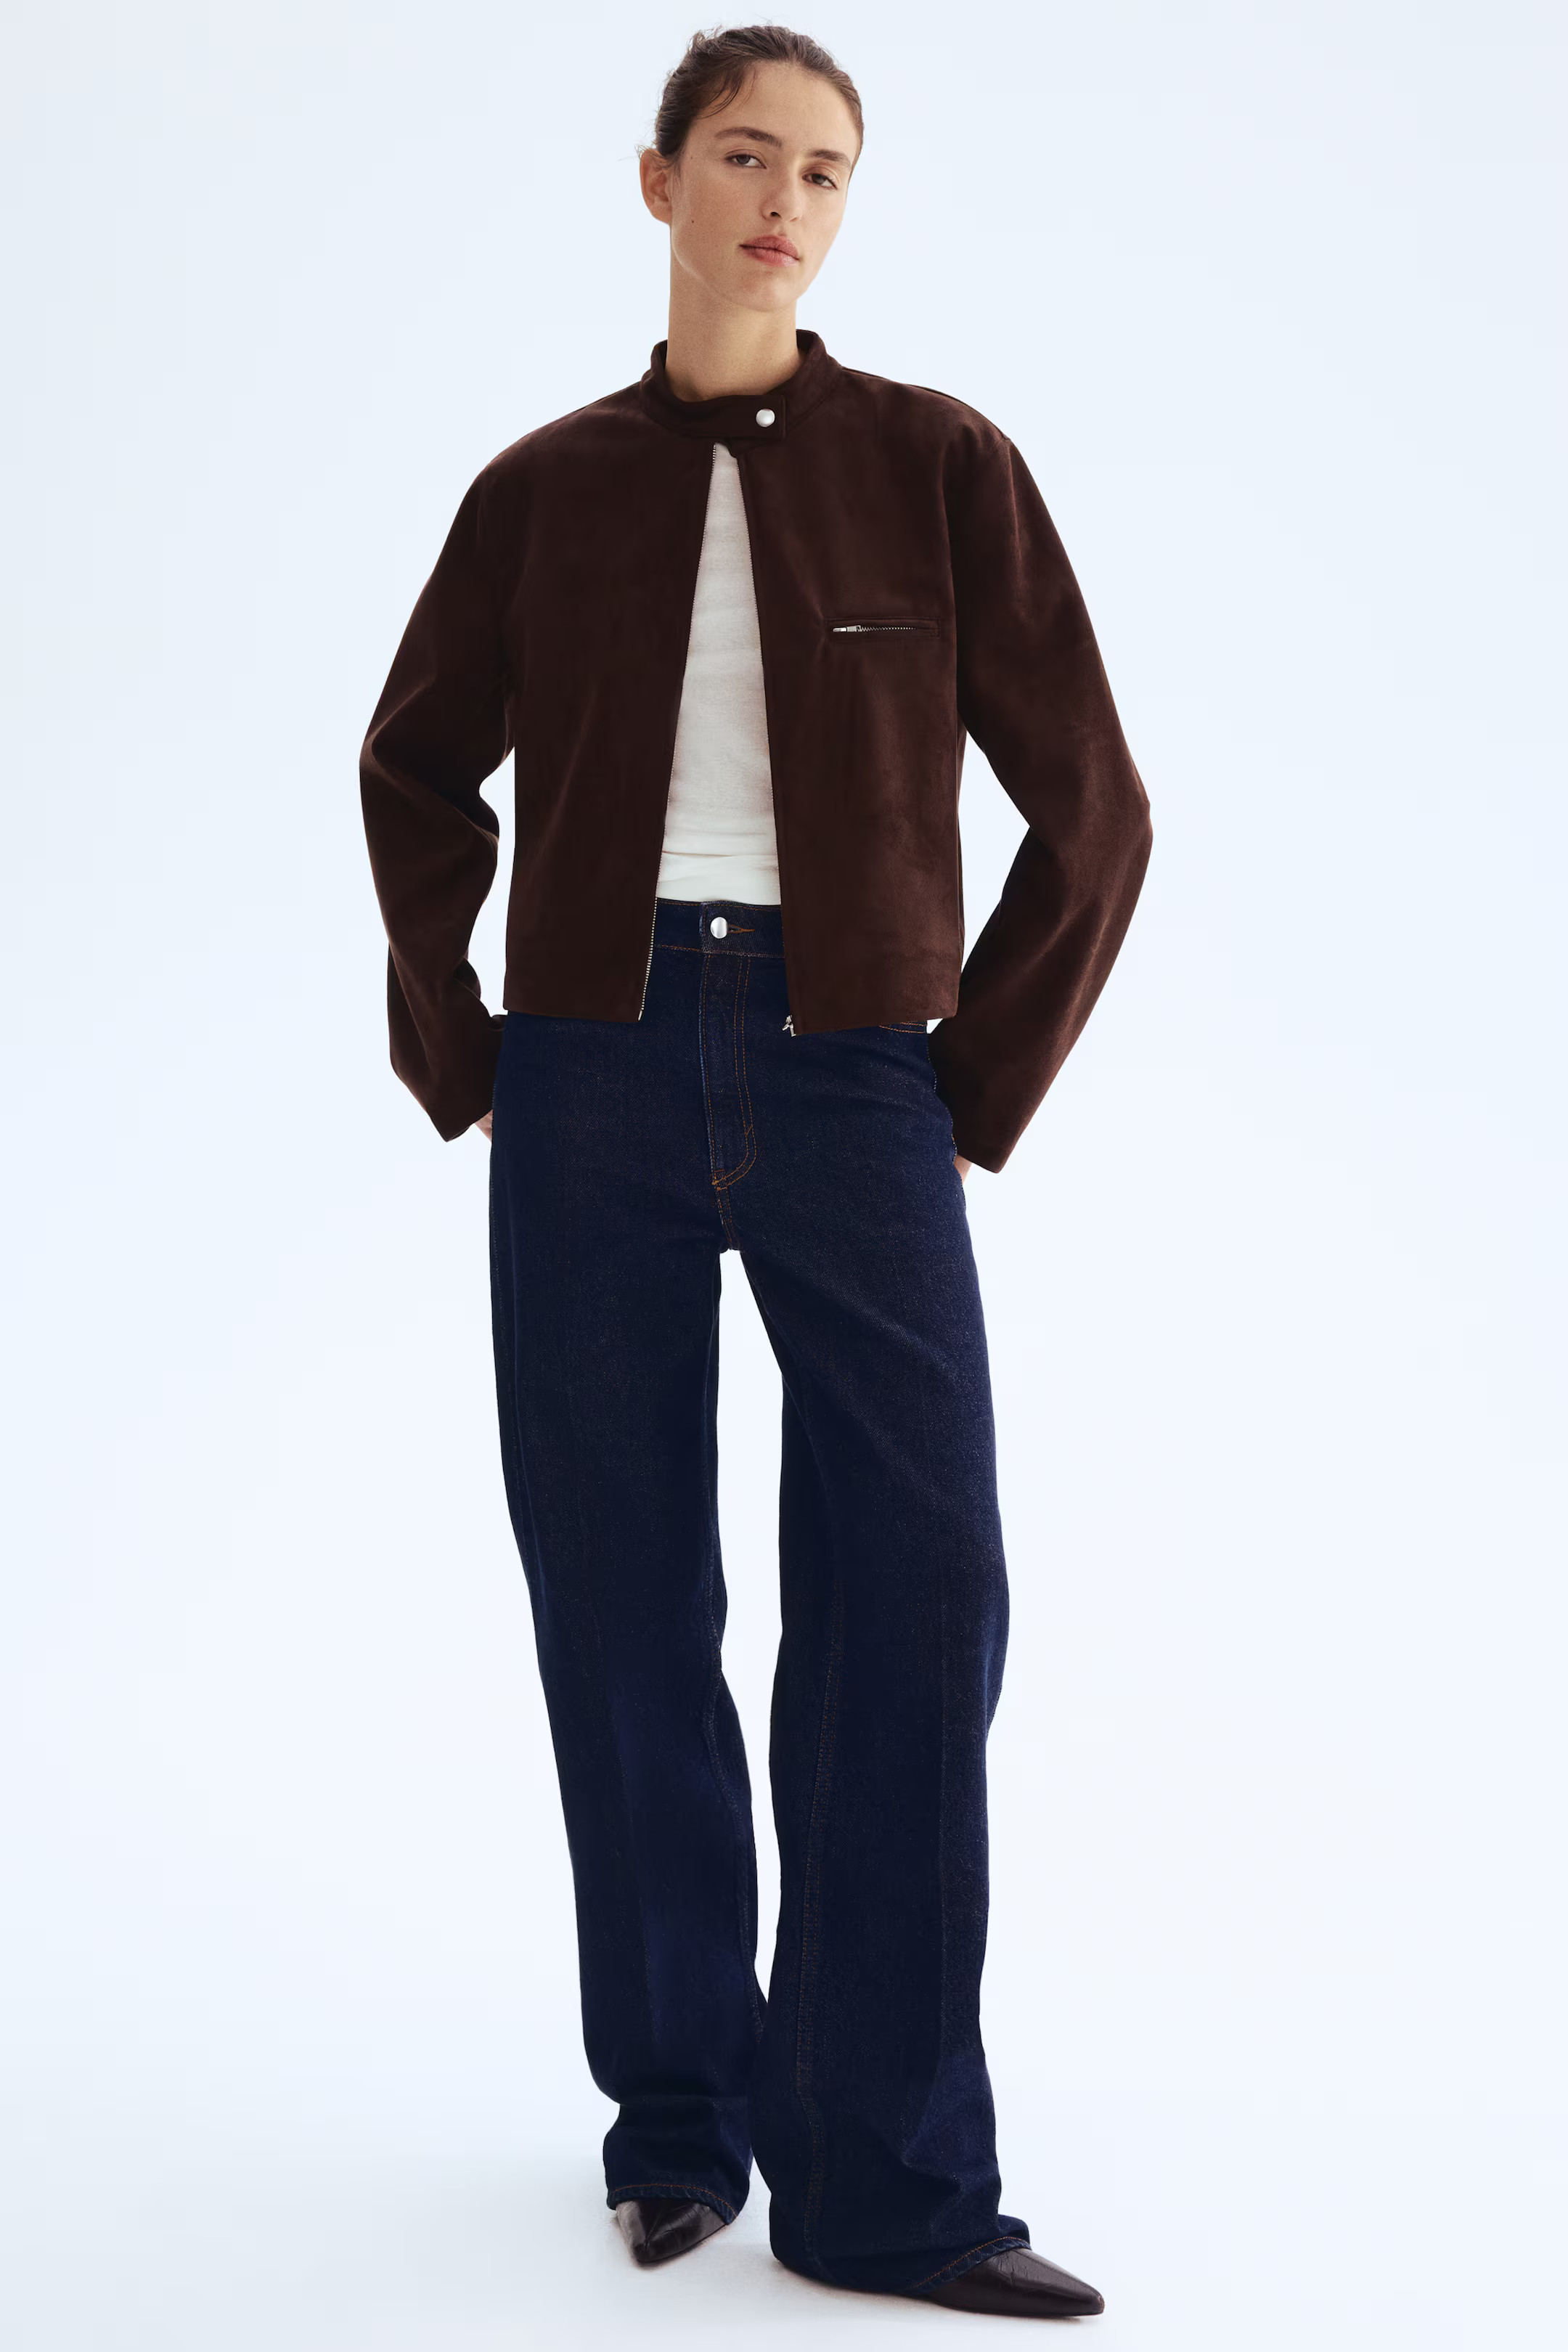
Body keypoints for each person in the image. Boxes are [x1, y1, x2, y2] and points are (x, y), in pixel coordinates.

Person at [359, 22, 1150, 2322]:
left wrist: (965, 1084)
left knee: (916, 1592)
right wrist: (465, 1045)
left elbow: (1096, 807)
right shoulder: (544, 489)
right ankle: (680, 2117)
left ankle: (885, 2174)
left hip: (851, 1070)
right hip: (591, 1070)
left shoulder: (939, 463)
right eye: (742, 155)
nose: (783, 201)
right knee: (621, 1599)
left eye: (822, 169)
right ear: (659, 184)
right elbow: (412, 767)